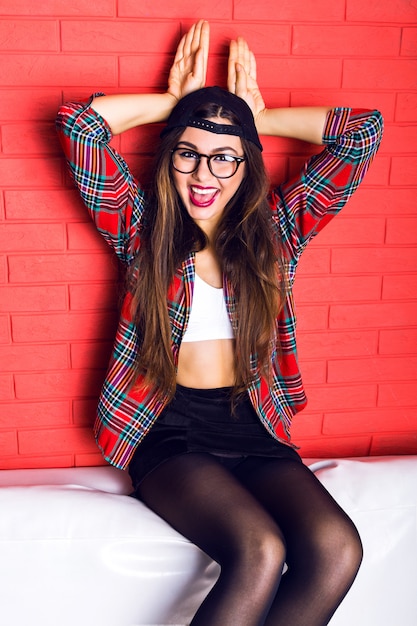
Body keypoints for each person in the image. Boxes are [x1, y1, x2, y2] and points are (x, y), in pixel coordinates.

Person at [56, 20, 383, 626]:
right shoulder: (140, 231)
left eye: (225, 158)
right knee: (259, 550)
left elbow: (363, 133)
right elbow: (81, 126)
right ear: (170, 155)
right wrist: (174, 106)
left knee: (337, 549)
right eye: (189, 153)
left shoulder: (277, 235)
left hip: (252, 425)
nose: (205, 175)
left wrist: (257, 115)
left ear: (247, 165)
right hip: (169, 429)